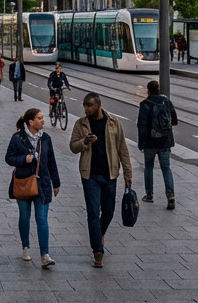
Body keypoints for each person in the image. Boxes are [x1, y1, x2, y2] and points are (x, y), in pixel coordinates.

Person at [69, 92, 132, 268]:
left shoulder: (113, 122)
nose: (86, 109)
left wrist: (128, 175)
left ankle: (99, 233)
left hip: (110, 174)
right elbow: (73, 146)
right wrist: (84, 142)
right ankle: (98, 251)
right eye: (85, 106)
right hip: (90, 175)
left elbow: (123, 149)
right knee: (93, 212)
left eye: (89, 105)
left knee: (109, 211)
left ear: (98, 105)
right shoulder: (80, 124)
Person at [6, 108, 62, 268]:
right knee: (24, 217)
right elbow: (8, 158)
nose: (43, 120)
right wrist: (24, 158)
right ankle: (25, 247)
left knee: (42, 219)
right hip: (24, 182)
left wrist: (56, 183)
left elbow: (51, 161)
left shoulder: (46, 138)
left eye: (42, 118)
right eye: (39, 118)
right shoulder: (18, 138)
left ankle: (45, 255)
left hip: (43, 183)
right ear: (31, 122)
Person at [136, 80, 178, 211]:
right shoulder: (166, 101)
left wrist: (141, 145)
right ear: (159, 89)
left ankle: (149, 195)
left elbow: (142, 126)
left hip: (150, 142)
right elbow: (175, 120)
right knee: (166, 168)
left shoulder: (144, 104)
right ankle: (170, 195)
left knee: (148, 167)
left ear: (148, 90)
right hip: (165, 141)